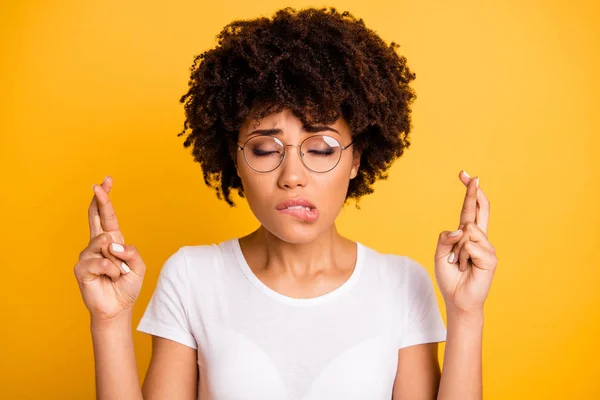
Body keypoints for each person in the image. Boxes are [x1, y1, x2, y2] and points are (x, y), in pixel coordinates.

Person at [74, 6, 498, 400]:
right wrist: (109, 321)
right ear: (234, 160)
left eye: (321, 149)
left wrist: (465, 312)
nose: (292, 175)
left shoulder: (402, 284)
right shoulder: (192, 277)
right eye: (264, 150)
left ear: (355, 160)